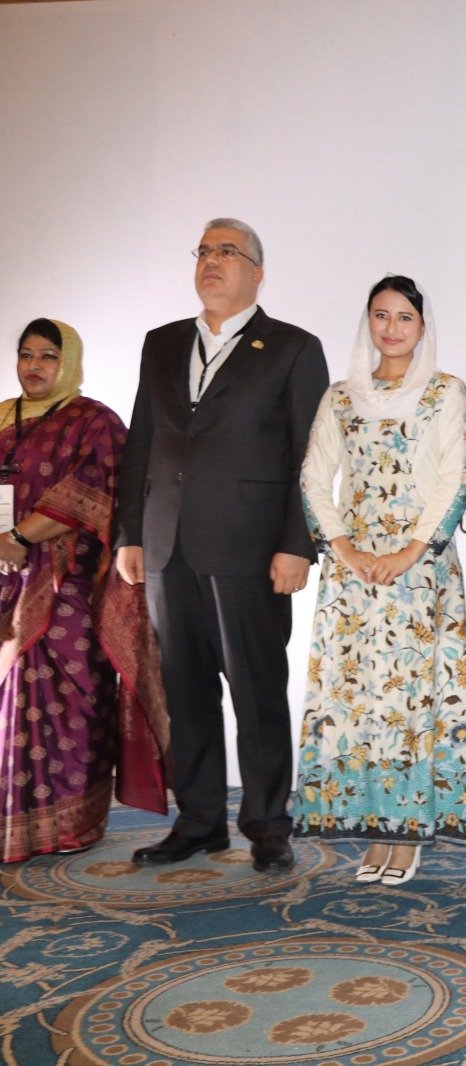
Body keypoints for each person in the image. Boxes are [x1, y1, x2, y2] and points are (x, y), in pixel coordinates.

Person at [115, 218, 329, 872]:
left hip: (251, 549)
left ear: (257, 273)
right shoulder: (161, 343)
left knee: (257, 692)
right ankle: (199, 820)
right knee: (184, 692)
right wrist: (130, 533)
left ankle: (268, 826)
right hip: (166, 545)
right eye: (204, 250)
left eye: (227, 251)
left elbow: (311, 456)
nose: (211, 260)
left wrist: (297, 543)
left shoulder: (293, 348)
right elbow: (142, 440)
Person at [292, 276, 466, 884]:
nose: (392, 328)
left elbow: (457, 478)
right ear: (367, 322)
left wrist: (409, 552)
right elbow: (314, 476)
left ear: (423, 327)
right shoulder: (341, 397)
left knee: (410, 702)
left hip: (419, 571)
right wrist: (344, 548)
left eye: (404, 317)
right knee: (356, 704)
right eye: (381, 315)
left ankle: (407, 833)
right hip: (353, 574)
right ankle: (373, 829)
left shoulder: (445, 392)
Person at [1, 320, 168, 862]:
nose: (35, 366)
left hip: (65, 585)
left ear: (69, 361)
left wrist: (20, 537)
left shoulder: (94, 422)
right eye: (26, 354)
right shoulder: (2, 417)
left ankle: (72, 825)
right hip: (4, 579)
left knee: (67, 702)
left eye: (48, 356)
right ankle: (14, 825)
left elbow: (93, 493)